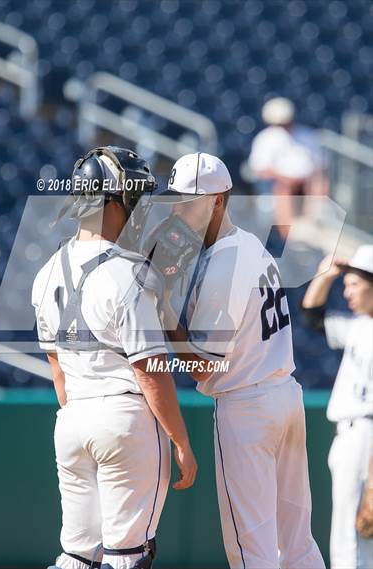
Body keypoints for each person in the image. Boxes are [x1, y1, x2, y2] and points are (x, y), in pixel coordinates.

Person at [152, 152, 325, 569]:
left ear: (218, 200)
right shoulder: (250, 244)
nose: (179, 208)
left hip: (246, 408)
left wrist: (165, 314)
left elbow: (204, 367)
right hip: (284, 396)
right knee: (297, 543)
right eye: (175, 199)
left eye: (189, 200)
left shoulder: (222, 263)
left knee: (251, 550)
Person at [32, 146, 197, 569]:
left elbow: (57, 371)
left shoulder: (46, 270)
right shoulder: (130, 271)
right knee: (127, 556)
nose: (139, 207)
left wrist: (84, 420)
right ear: (112, 201)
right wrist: (181, 442)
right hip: (125, 418)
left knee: (76, 554)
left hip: (71, 422)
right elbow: (150, 372)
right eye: (134, 197)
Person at [301, 245, 373, 569]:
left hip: (364, 436)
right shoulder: (360, 326)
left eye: (354, 284)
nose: (347, 291)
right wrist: (326, 275)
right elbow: (312, 316)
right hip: (354, 435)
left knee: (349, 541)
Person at [248, 97, 327, 238]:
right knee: (283, 188)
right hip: (280, 184)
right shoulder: (265, 138)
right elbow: (260, 170)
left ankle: (316, 225)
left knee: (319, 182)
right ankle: (288, 235)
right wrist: (286, 178)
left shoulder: (306, 135)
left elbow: (318, 165)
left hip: (306, 183)